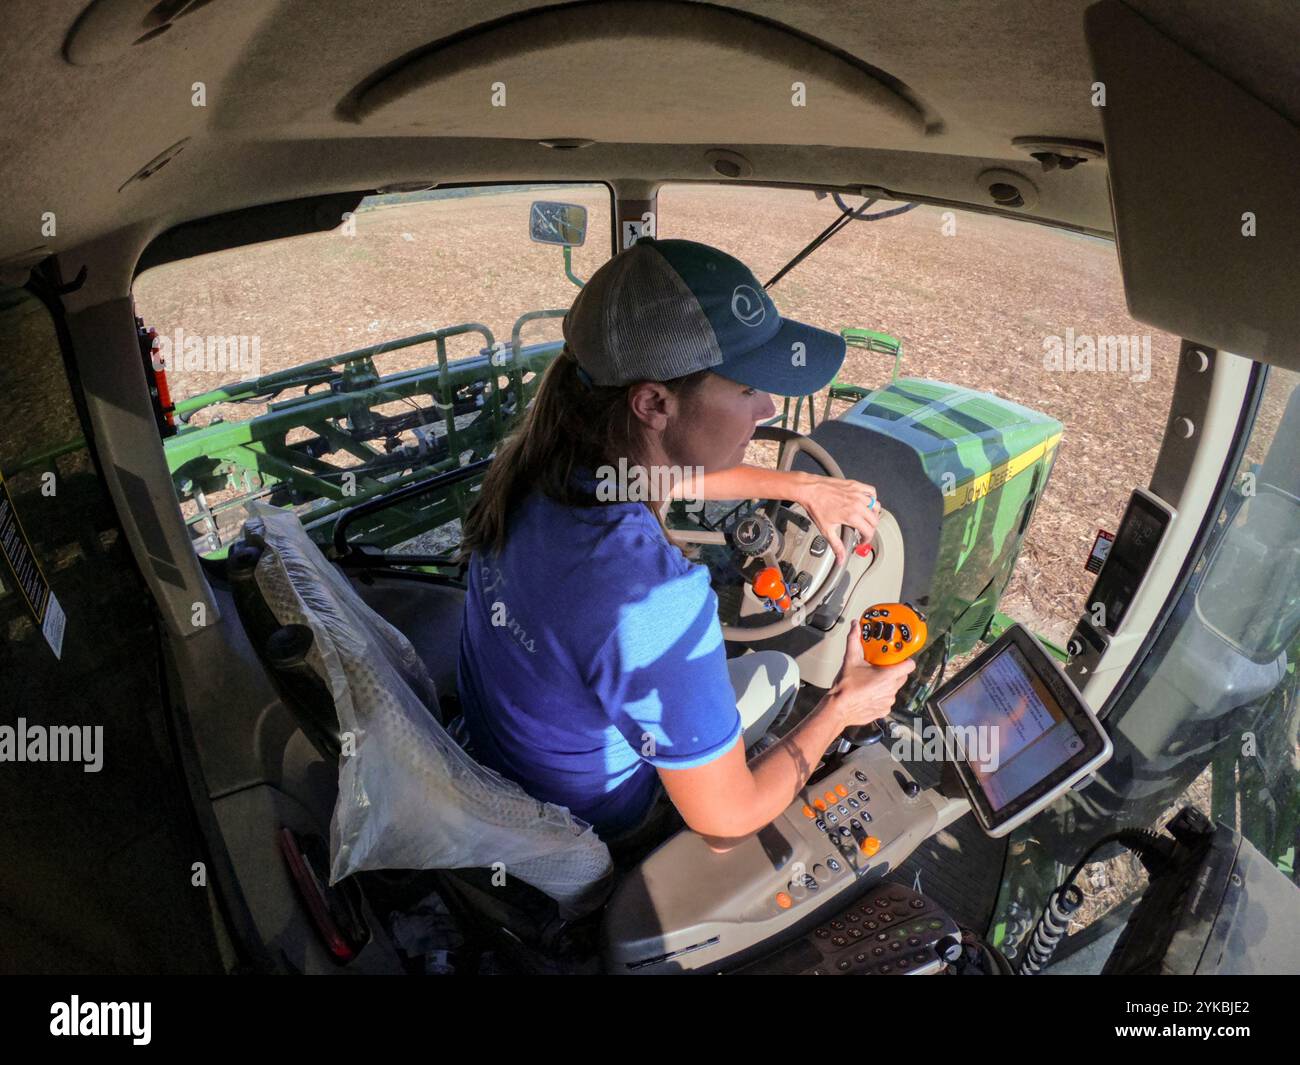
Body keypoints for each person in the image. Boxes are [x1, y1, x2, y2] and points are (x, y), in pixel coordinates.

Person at [456, 237, 914, 855]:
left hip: (502, 761)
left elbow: (653, 474)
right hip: (600, 823)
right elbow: (728, 820)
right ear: (653, 403)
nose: (769, 407)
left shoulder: (538, 469)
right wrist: (842, 707)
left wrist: (798, 485)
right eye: (749, 388)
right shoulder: (652, 597)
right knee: (780, 671)